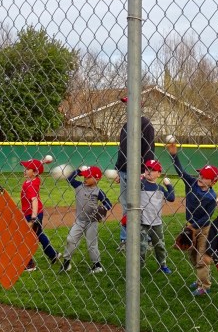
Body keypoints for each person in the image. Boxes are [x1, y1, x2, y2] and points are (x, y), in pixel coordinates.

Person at [165, 141, 218, 296]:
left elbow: (207, 217)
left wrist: (192, 227)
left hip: (203, 229)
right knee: (193, 256)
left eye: (205, 177)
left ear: (213, 181)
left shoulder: (211, 197)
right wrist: (174, 155)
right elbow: (181, 171)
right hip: (190, 225)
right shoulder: (192, 184)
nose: (200, 177)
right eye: (200, 174)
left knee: (201, 257)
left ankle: (205, 286)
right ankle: (200, 279)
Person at [114, 96, 155, 251]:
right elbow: (122, 150)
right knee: (126, 206)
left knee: (143, 206)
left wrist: (146, 171)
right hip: (124, 171)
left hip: (139, 173)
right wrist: (118, 169)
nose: (127, 107)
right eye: (126, 104)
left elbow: (149, 149)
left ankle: (147, 239)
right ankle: (125, 239)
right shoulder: (125, 125)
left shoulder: (146, 124)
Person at [59, 166, 112, 274]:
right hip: (79, 221)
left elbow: (108, 203)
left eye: (88, 177)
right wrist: (78, 170)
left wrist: (103, 208)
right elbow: (69, 179)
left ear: (97, 179)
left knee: (91, 244)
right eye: (84, 176)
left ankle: (97, 265)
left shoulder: (98, 192)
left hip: (92, 222)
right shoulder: (79, 186)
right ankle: (66, 263)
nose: (85, 178)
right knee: (71, 239)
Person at [21, 158, 60, 272]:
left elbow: (34, 200)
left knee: (27, 237)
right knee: (39, 234)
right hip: (33, 212)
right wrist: (42, 162)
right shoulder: (34, 179)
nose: (24, 170)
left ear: (35, 172)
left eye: (27, 169)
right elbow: (37, 169)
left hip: (33, 214)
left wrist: (33, 217)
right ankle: (53, 254)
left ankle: (30, 264)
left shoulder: (31, 185)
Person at [139, 159, 175, 274]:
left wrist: (168, 185)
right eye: (147, 169)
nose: (149, 171)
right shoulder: (140, 185)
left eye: (153, 170)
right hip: (142, 222)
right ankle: (138, 267)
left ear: (159, 174)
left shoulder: (160, 189)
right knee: (141, 247)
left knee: (159, 246)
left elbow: (171, 198)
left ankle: (162, 265)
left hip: (156, 223)